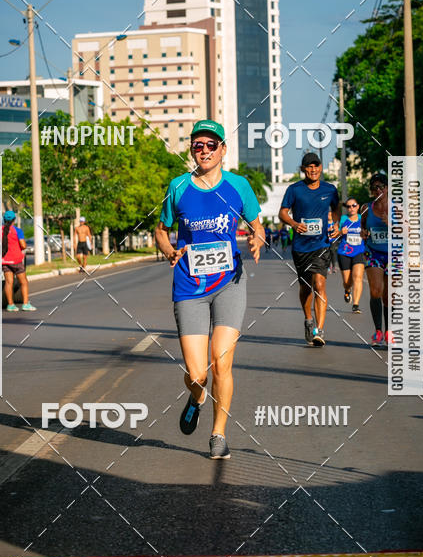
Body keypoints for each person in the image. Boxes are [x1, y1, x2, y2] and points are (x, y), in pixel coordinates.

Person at [155, 119, 264, 461]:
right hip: (189, 285)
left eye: (210, 145)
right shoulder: (178, 187)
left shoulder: (239, 186)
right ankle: (197, 396)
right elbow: (161, 230)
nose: (203, 151)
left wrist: (258, 239)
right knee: (197, 373)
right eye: (197, 145)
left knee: (221, 362)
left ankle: (218, 434)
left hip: (229, 283)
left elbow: (256, 224)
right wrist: (169, 250)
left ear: (222, 150)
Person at [279, 153, 340, 346]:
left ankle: (319, 330)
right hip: (301, 247)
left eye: (316, 166)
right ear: (303, 169)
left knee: (320, 284)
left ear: (321, 167)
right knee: (306, 287)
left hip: (321, 245)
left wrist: (336, 223)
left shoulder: (330, 189)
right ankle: (308, 319)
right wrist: (294, 223)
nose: (313, 170)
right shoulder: (294, 189)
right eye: (309, 167)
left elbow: (337, 208)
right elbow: (282, 212)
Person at [361, 173, 391, 346]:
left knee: (389, 296)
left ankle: (389, 332)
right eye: (374, 188)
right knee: (375, 291)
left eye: (381, 187)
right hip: (374, 253)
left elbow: (409, 232)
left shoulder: (398, 208)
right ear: (371, 191)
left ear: (387, 188)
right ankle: (378, 331)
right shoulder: (366, 208)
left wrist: (392, 224)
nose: (378, 190)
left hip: (394, 254)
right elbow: (362, 228)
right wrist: (363, 233)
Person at [1, 211, 36, 312]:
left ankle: (11, 305)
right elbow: (23, 245)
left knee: (8, 282)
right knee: (23, 282)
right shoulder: (17, 230)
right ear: (14, 220)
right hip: (16, 260)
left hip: (5, 260)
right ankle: (25, 304)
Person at [337, 198, 365, 314]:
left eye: (353, 205)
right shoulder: (343, 219)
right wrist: (340, 232)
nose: (351, 208)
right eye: (348, 206)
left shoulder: (363, 219)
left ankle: (356, 304)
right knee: (347, 281)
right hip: (345, 252)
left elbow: (369, 232)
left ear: (358, 206)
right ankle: (347, 290)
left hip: (359, 251)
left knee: (357, 277)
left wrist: (366, 233)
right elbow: (335, 235)